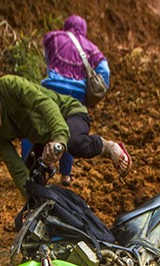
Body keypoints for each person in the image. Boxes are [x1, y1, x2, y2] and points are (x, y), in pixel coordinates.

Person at [0, 75, 131, 206]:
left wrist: (59, 139)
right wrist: (32, 200)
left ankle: (108, 146)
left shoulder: (9, 85)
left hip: (68, 113)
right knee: (32, 182)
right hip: (44, 137)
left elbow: (45, 104)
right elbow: (16, 167)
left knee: (76, 143)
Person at [22, 15, 112, 187]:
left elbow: (48, 60)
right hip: (75, 97)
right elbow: (104, 71)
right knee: (69, 131)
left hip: (51, 91)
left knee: (33, 126)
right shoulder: (92, 49)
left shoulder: (54, 37)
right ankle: (65, 176)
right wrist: (91, 88)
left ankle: (26, 167)